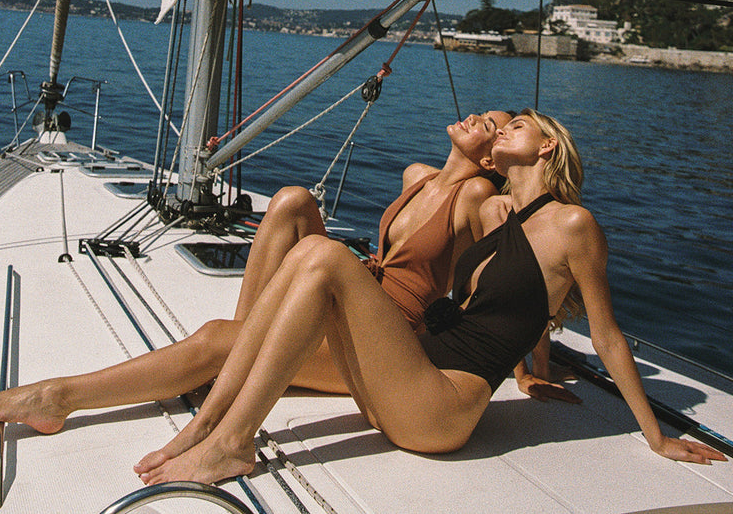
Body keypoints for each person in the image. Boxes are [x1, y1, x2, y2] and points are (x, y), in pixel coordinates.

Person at [125, 109, 725, 485]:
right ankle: (208, 426)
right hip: (407, 377)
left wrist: (657, 437)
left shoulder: (575, 226)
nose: (505, 125)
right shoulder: (493, 211)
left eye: (519, 124)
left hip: (442, 409)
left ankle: (230, 444)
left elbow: (605, 333)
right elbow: (514, 297)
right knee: (311, 253)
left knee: (326, 256)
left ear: (547, 148)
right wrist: (530, 368)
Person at [0, 108, 522, 431]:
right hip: (355, 299)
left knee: (213, 340)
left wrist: (525, 363)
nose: (477, 118)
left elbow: (509, 278)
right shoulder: (416, 176)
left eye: (491, 126)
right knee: (292, 200)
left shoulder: (477, 196)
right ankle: (243, 347)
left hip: (387, 337)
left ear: (493, 158)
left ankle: (60, 398)